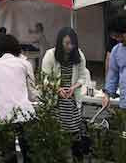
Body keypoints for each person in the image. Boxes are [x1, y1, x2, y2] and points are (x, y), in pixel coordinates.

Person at [0, 34, 35, 163]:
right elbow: (32, 93)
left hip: (3, 115)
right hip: (25, 114)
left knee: (8, 155)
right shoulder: (25, 64)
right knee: (29, 153)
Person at [42, 28, 88, 161]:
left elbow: (83, 77)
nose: (70, 46)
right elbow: (44, 78)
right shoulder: (50, 55)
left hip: (71, 100)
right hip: (56, 102)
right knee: (57, 137)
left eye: (73, 43)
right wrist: (57, 89)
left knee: (75, 137)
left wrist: (74, 87)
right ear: (60, 42)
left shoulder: (79, 55)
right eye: (67, 43)